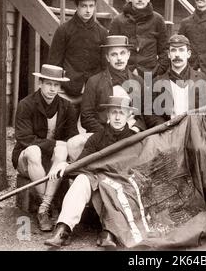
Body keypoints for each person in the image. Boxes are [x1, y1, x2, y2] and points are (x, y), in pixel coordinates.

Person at [44, 95, 137, 248]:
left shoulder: (135, 138)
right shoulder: (96, 138)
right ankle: (63, 230)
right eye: (114, 112)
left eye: (121, 113)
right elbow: (81, 162)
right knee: (81, 179)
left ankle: (109, 233)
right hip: (97, 182)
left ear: (128, 115)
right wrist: (66, 165)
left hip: (121, 185)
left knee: (116, 186)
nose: (117, 117)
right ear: (108, 115)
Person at [12, 64, 78, 232]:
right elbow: (25, 138)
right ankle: (47, 207)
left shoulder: (67, 106)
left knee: (63, 149)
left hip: (54, 161)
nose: (52, 89)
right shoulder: (26, 104)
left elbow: (72, 136)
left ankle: (43, 208)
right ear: (40, 83)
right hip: (27, 158)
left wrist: (62, 146)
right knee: (35, 150)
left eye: (56, 85)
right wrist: (54, 144)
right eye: (48, 84)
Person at [67, 35, 146, 162]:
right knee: (73, 144)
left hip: (130, 134)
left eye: (122, 53)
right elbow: (86, 117)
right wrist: (105, 134)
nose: (119, 58)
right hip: (102, 134)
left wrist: (133, 131)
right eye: (114, 54)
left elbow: (143, 116)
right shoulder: (94, 81)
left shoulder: (139, 81)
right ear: (107, 57)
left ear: (128, 55)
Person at [48, 0, 109, 115]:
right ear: (77, 6)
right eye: (84, 6)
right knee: (65, 128)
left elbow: (105, 66)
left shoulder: (102, 33)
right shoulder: (64, 30)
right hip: (68, 89)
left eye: (91, 6)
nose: (88, 10)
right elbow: (54, 62)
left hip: (93, 91)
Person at [146, 34, 206, 127]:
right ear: (169, 54)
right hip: (168, 134)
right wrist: (166, 126)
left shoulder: (201, 79)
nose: (177, 55)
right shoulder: (157, 82)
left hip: (195, 131)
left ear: (188, 54)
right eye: (173, 50)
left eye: (181, 50)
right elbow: (150, 113)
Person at [109, 0, 168, 78]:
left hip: (150, 75)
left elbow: (164, 51)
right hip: (123, 75)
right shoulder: (118, 21)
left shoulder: (158, 20)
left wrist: (156, 71)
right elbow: (110, 50)